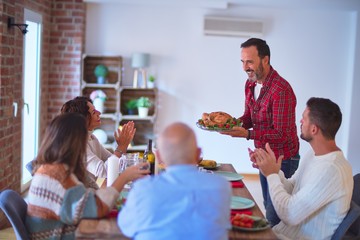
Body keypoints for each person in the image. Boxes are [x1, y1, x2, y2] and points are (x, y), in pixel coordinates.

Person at [25, 113, 149, 239]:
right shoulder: (58, 176)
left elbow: (84, 200)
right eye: (84, 139)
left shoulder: (51, 168)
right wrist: (125, 177)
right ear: (74, 142)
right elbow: (98, 208)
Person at [219, 38, 300, 226]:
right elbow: (249, 117)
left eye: (250, 61)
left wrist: (248, 134)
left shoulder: (281, 90)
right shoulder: (250, 84)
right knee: (267, 205)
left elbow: (282, 134)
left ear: (265, 60)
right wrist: (229, 124)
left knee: (276, 215)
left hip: (283, 159)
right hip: (264, 155)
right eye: (242, 62)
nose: (245, 67)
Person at [252, 97, 353, 239]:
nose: (300, 121)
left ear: (314, 129)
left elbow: (289, 214)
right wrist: (272, 169)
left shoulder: (331, 169)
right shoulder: (314, 154)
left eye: (303, 118)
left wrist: (271, 175)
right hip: (281, 234)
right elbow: (293, 187)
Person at [117, 122, 232, 240]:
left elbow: (126, 227)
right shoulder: (221, 186)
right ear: (198, 154)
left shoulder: (142, 189)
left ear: (159, 157)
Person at [61, 96, 135, 179]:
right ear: (83, 119)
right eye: (93, 112)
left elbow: (114, 162)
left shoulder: (92, 138)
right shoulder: (78, 145)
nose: (99, 113)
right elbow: (105, 173)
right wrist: (121, 147)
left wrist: (122, 146)